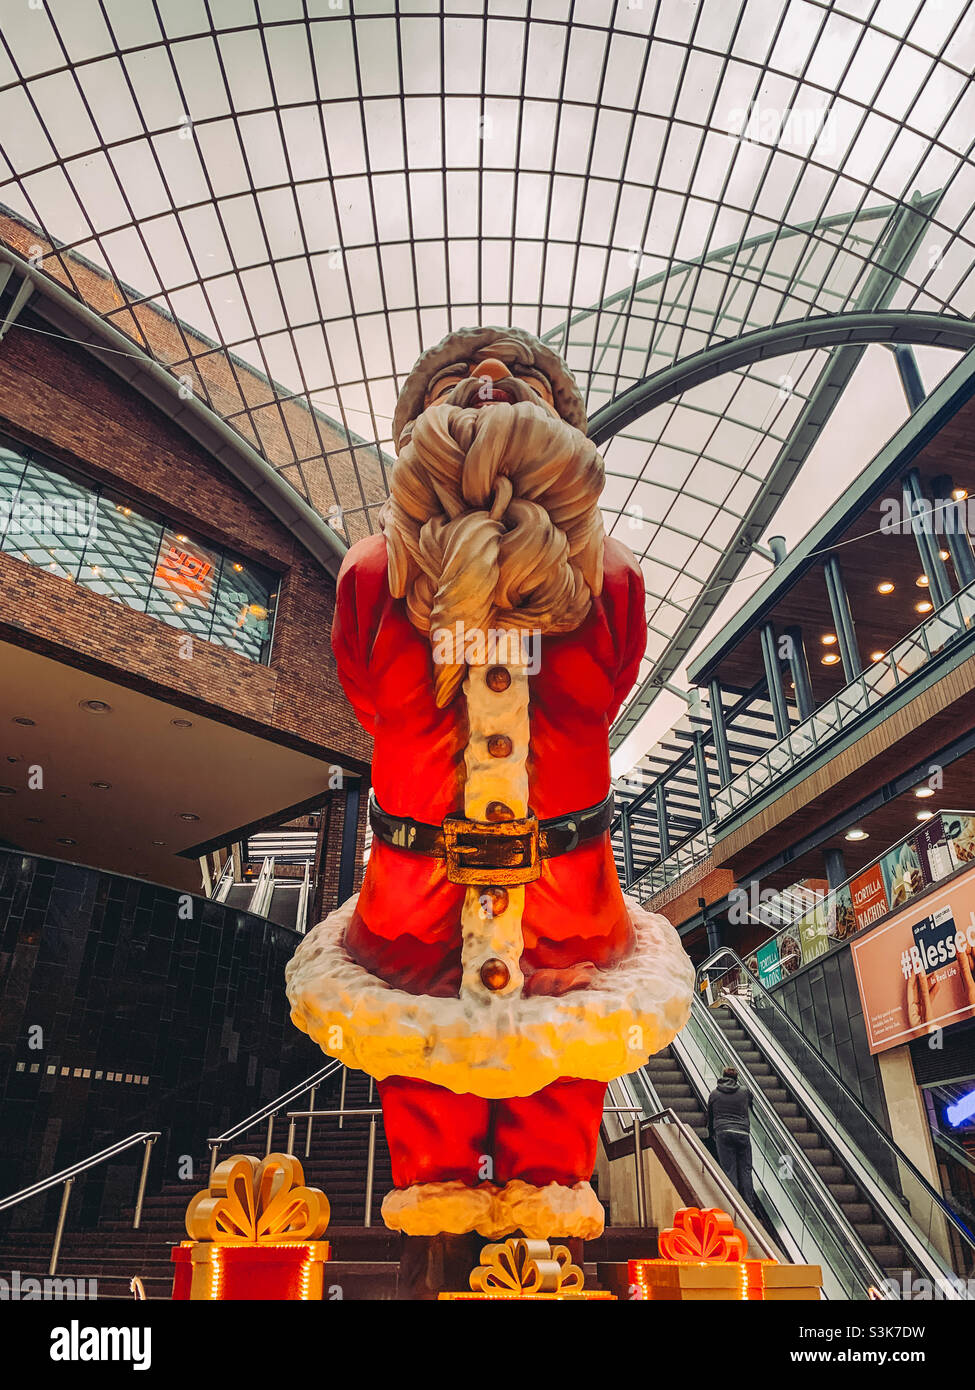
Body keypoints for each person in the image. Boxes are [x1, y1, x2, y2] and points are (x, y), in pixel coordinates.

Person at [286, 325, 694, 1262]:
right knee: (413, 1051)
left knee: (567, 1047)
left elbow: (604, 687)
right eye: (456, 379)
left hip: (565, 877)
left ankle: (549, 1215)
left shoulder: (613, 575)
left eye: (523, 381)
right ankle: (432, 1216)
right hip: (414, 879)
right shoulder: (370, 573)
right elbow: (369, 697)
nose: (491, 381)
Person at [707, 1066, 756, 1208]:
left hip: (723, 1132)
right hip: (742, 1133)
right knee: (746, 1170)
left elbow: (710, 1116)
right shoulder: (744, 1092)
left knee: (729, 1170)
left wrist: (711, 1133)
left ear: (722, 1077)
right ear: (736, 1079)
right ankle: (749, 1206)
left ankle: (733, 1205)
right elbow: (751, 1104)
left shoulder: (714, 1094)